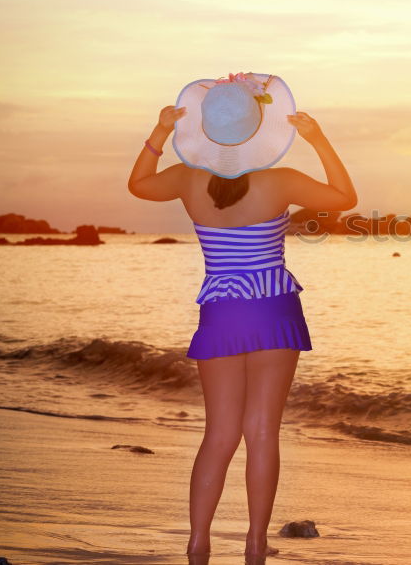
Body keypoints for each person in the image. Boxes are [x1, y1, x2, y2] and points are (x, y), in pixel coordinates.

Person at [126, 72, 357, 558]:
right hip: (274, 308)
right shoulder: (282, 181)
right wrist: (319, 139)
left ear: (208, 130)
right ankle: (254, 544)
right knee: (261, 432)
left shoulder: (186, 179)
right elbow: (345, 198)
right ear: (259, 130)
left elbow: (139, 185)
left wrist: (161, 131)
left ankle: (197, 542)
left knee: (220, 432)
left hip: (221, 311)